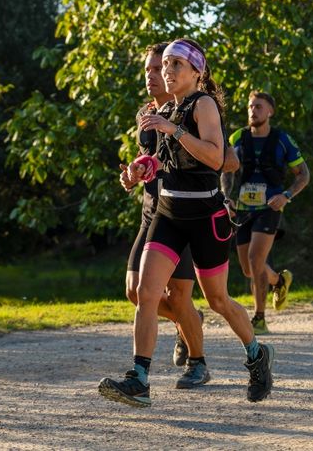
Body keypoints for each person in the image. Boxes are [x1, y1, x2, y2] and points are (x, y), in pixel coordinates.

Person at [99, 39, 274, 408]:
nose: (167, 71)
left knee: (218, 300)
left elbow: (214, 157)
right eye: (165, 65)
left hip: (204, 218)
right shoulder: (165, 111)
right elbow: (164, 165)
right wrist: (139, 171)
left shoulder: (202, 105)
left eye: (176, 64)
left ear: (197, 71)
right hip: (167, 215)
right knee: (146, 293)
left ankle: (257, 355)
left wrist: (171, 129)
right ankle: (139, 379)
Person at [119, 42, 207, 389]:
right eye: (148, 70)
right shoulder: (145, 115)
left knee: (178, 297)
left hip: (181, 213)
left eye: (159, 68)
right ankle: (191, 322)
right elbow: (146, 158)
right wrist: (132, 175)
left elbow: (217, 159)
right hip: (150, 212)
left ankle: (198, 362)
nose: (153, 76)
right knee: (135, 291)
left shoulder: (189, 110)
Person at [227, 91, 310, 335]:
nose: (253, 110)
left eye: (259, 106)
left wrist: (286, 195)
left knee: (255, 259)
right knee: (247, 269)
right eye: (251, 106)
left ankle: (259, 318)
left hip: (270, 207)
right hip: (242, 208)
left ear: (270, 111)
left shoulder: (282, 139)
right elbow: (226, 170)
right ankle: (279, 281)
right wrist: (226, 198)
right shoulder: (237, 138)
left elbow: (304, 175)